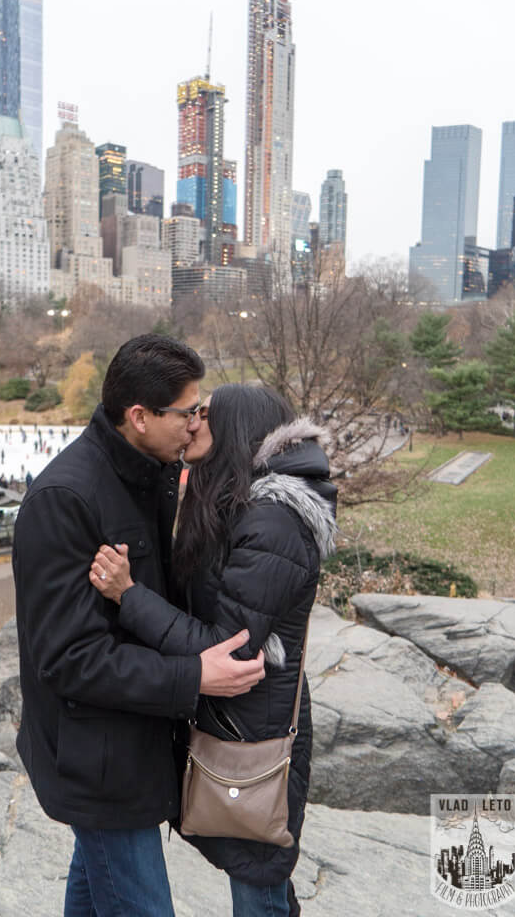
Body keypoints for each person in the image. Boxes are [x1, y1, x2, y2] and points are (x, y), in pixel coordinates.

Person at [12, 335, 266, 917]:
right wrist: (192, 676)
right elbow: (70, 658)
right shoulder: (65, 499)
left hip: (131, 747)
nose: (197, 424)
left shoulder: (147, 473)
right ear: (139, 416)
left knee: (93, 894)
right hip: (97, 762)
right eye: (188, 412)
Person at [91, 384, 338, 917]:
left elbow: (223, 649)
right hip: (233, 719)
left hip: (254, 733)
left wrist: (129, 598)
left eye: (205, 415)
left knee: (257, 879)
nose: (193, 423)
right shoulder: (234, 500)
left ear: (239, 430)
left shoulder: (273, 520)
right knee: (255, 870)